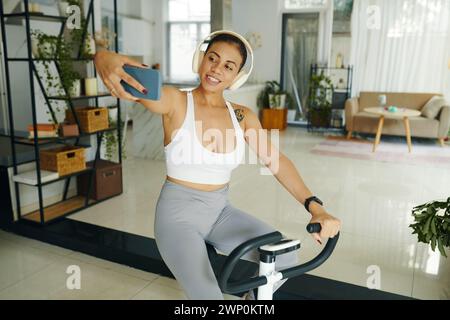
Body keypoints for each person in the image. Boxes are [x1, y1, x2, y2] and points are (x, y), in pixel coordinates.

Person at [93, 30, 341, 300]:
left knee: (284, 254)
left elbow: (276, 161)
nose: (216, 69)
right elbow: (118, 71)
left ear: (237, 77)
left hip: (220, 213)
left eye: (228, 66)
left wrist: (315, 207)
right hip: (177, 218)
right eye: (212, 58)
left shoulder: (242, 116)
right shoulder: (176, 101)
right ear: (201, 59)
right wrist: (102, 57)